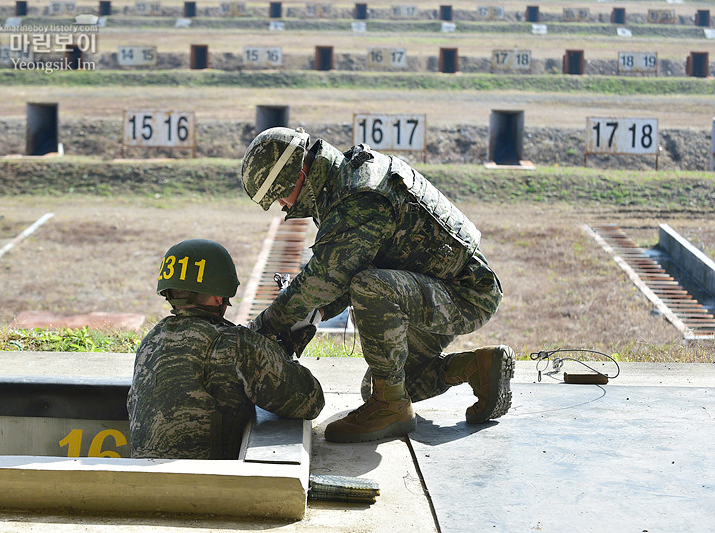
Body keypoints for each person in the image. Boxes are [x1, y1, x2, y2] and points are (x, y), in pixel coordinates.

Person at [240, 127, 513, 443]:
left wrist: (259, 331)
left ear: (296, 175)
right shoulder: (342, 184)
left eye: (278, 195)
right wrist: (313, 316)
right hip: (433, 289)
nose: (284, 206)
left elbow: (319, 282)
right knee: (379, 384)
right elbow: (343, 270)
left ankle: (390, 408)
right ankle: (476, 367)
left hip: (465, 294)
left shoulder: (359, 197)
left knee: (371, 288)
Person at [127, 238, 324, 459]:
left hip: (144, 485)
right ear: (220, 295)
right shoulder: (233, 343)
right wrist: (282, 349)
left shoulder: (151, 340)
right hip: (209, 487)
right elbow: (309, 400)